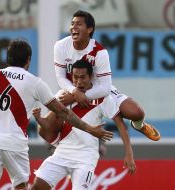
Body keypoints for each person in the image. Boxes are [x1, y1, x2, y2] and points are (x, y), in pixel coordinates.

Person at [0, 39, 113, 190]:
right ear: (28, 60)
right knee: (21, 186)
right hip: (15, 144)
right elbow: (63, 112)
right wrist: (89, 128)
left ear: (7, 58)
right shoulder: (35, 83)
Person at [54, 10, 161, 141]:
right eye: (72, 23)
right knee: (50, 117)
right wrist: (74, 91)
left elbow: (105, 87)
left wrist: (84, 96)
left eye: (79, 24)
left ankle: (139, 126)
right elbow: (60, 78)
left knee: (136, 112)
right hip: (72, 89)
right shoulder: (60, 46)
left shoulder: (99, 52)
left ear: (89, 29)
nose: (74, 27)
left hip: (96, 89)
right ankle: (57, 145)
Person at [31, 60, 136, 190]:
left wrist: (129, 153)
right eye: (75, 77)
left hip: (85, 158)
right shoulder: (62, 95)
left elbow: (120, 125)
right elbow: (47, 125)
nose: (79, 81)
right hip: (62, 153)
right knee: (37, 187)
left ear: (91, 77)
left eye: (82, 77)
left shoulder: (103, 98)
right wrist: (40, 118)